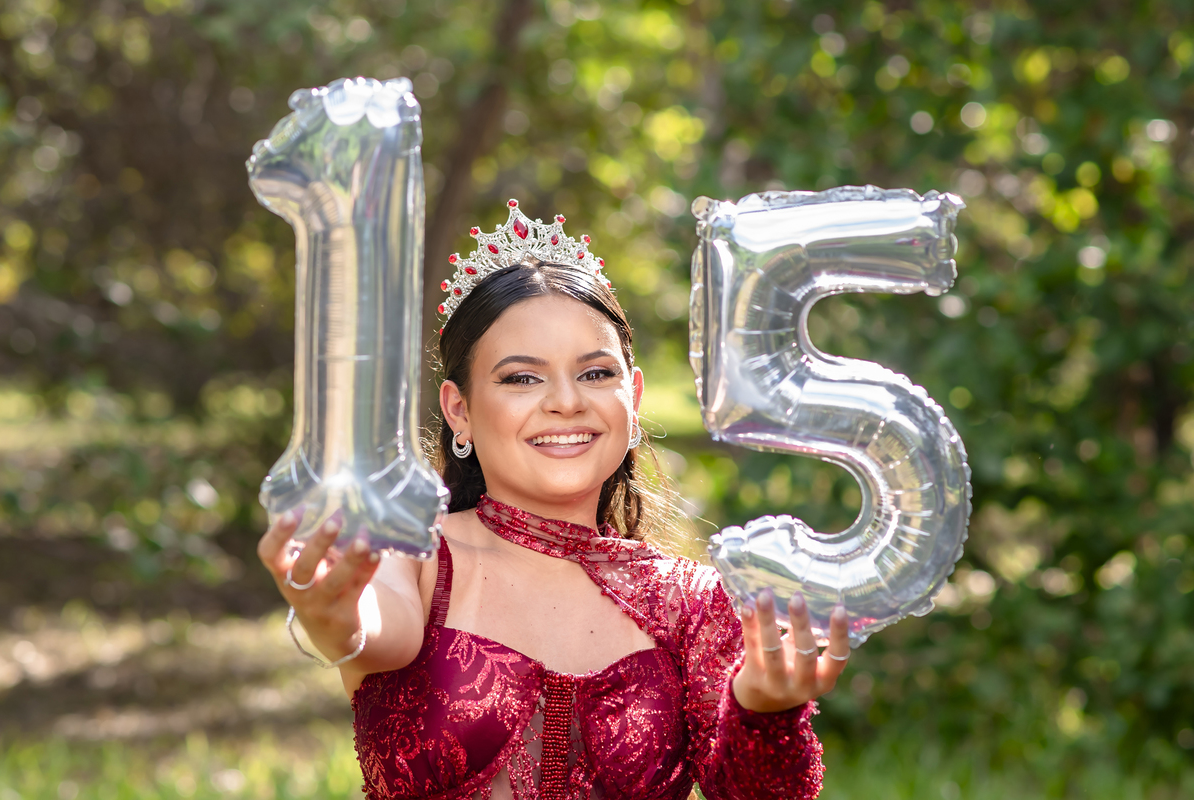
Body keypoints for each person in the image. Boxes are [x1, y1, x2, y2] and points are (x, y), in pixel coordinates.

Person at [257, 200, 851, 800]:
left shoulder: (689, 601)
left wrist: (763, 709)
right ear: (458, 409)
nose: (566, 401)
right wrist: (333, 620)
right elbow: (378, 627)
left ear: (633, 396)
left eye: (595, 374)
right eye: (522, 378)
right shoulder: (413, 551)